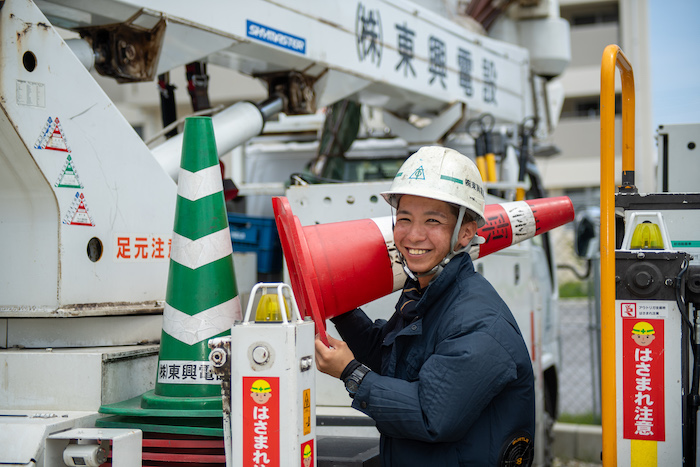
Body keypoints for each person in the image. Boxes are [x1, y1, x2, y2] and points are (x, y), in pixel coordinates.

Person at [314, 146, 535, 466]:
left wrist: (351, 373)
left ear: (465, 233)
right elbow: (391, 359)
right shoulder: (426, 294)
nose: (413, 235)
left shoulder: (478, 322)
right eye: (404, 218)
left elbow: (430, 415)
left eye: (432, 220)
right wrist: (341, 311)